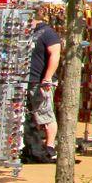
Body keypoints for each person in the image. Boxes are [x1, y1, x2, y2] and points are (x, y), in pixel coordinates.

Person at [28, 10, 62, 163]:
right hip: (29, 81)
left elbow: (55, 54)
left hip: (41, 82)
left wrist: (47, 78)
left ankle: (50, 147)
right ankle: (35, 147)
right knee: (34, 115)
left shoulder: (48, 32)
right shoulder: (30, 33)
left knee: (46, 114)